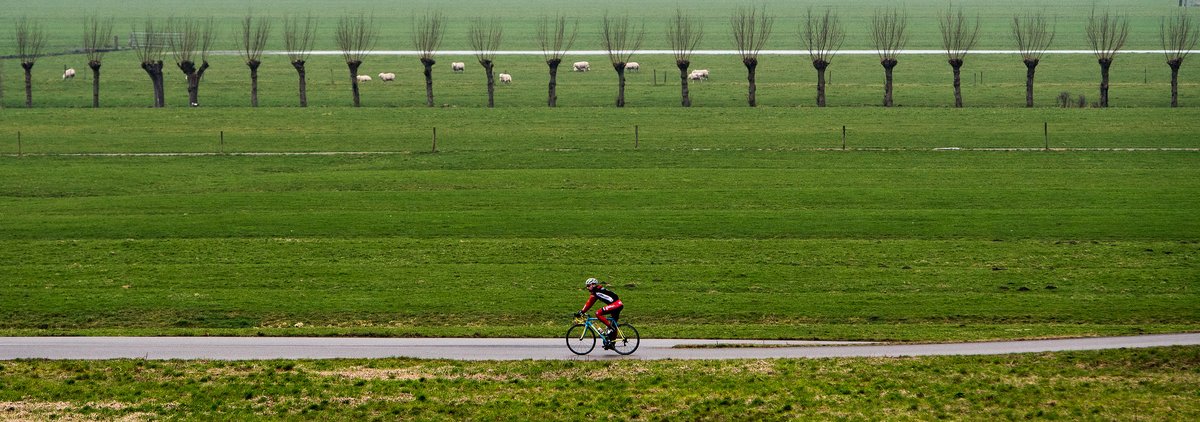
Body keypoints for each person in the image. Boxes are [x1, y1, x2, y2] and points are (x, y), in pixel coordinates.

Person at [575, 277, 624, 349]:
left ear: (593, 285)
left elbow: (589, 303)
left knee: (598, 313)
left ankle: (611, 328)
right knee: (613, 324)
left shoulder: (596, 292)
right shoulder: (597, 291)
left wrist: (582, 312)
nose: (587, 287)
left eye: (588, 286)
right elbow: (589, 304)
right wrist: (582, 311)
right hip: (617, 304)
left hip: (616, 305)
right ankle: (611, 344)